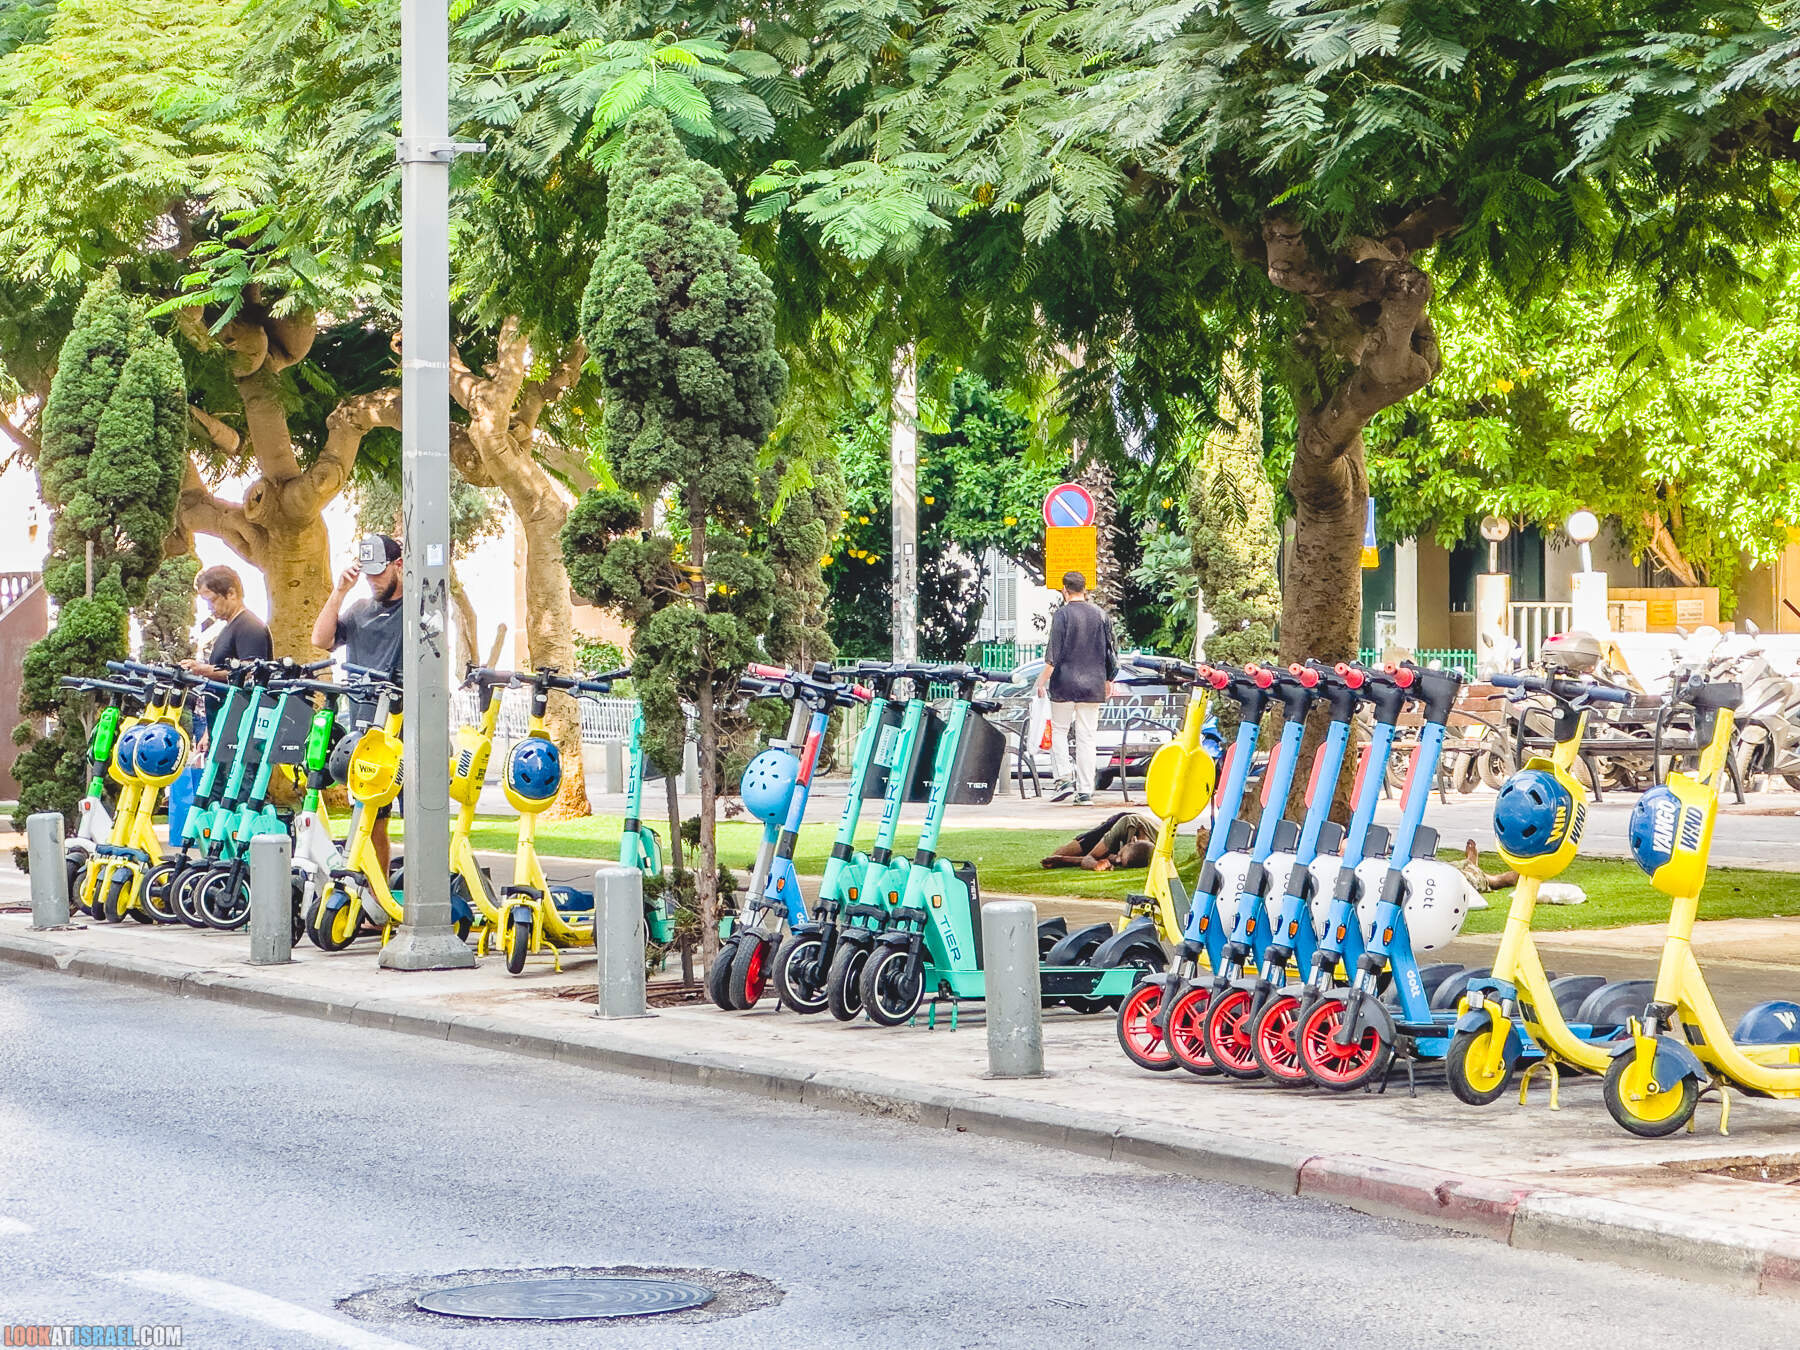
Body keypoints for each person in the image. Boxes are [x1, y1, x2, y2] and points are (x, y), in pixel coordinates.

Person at [311, 534, 405, 871]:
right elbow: (320, 639)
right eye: (367, 574)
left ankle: (421, 902)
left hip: (405, 723)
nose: (373, 581)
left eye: (379, 572)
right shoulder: (359, 610)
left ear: (400, 565)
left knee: (419, 816)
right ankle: (375, 900)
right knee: (370, 816)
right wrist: (339, 591)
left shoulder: (416, 610)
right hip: (365, 726)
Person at [1034, 570, 1116, 805]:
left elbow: (1053, 655)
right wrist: (1109, 679)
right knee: (1087, 737)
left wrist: (1041, 682)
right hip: (1093, 684)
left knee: (1059, 730)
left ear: (1064, 590)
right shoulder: (1100, 615)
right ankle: (1085, 790)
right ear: (1085, 589)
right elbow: (1111, 651)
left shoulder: (1062, 615)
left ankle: (1064, 778)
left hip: (1064, 682)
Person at [181, 565, 272, 738]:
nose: (209, 607)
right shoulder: (228, 628)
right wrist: (208, 733)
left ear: (231, 593)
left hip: (240, 733)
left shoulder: (250, 627)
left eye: (212, 600)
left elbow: (251, 674)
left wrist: (202, 670)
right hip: (223, 728)